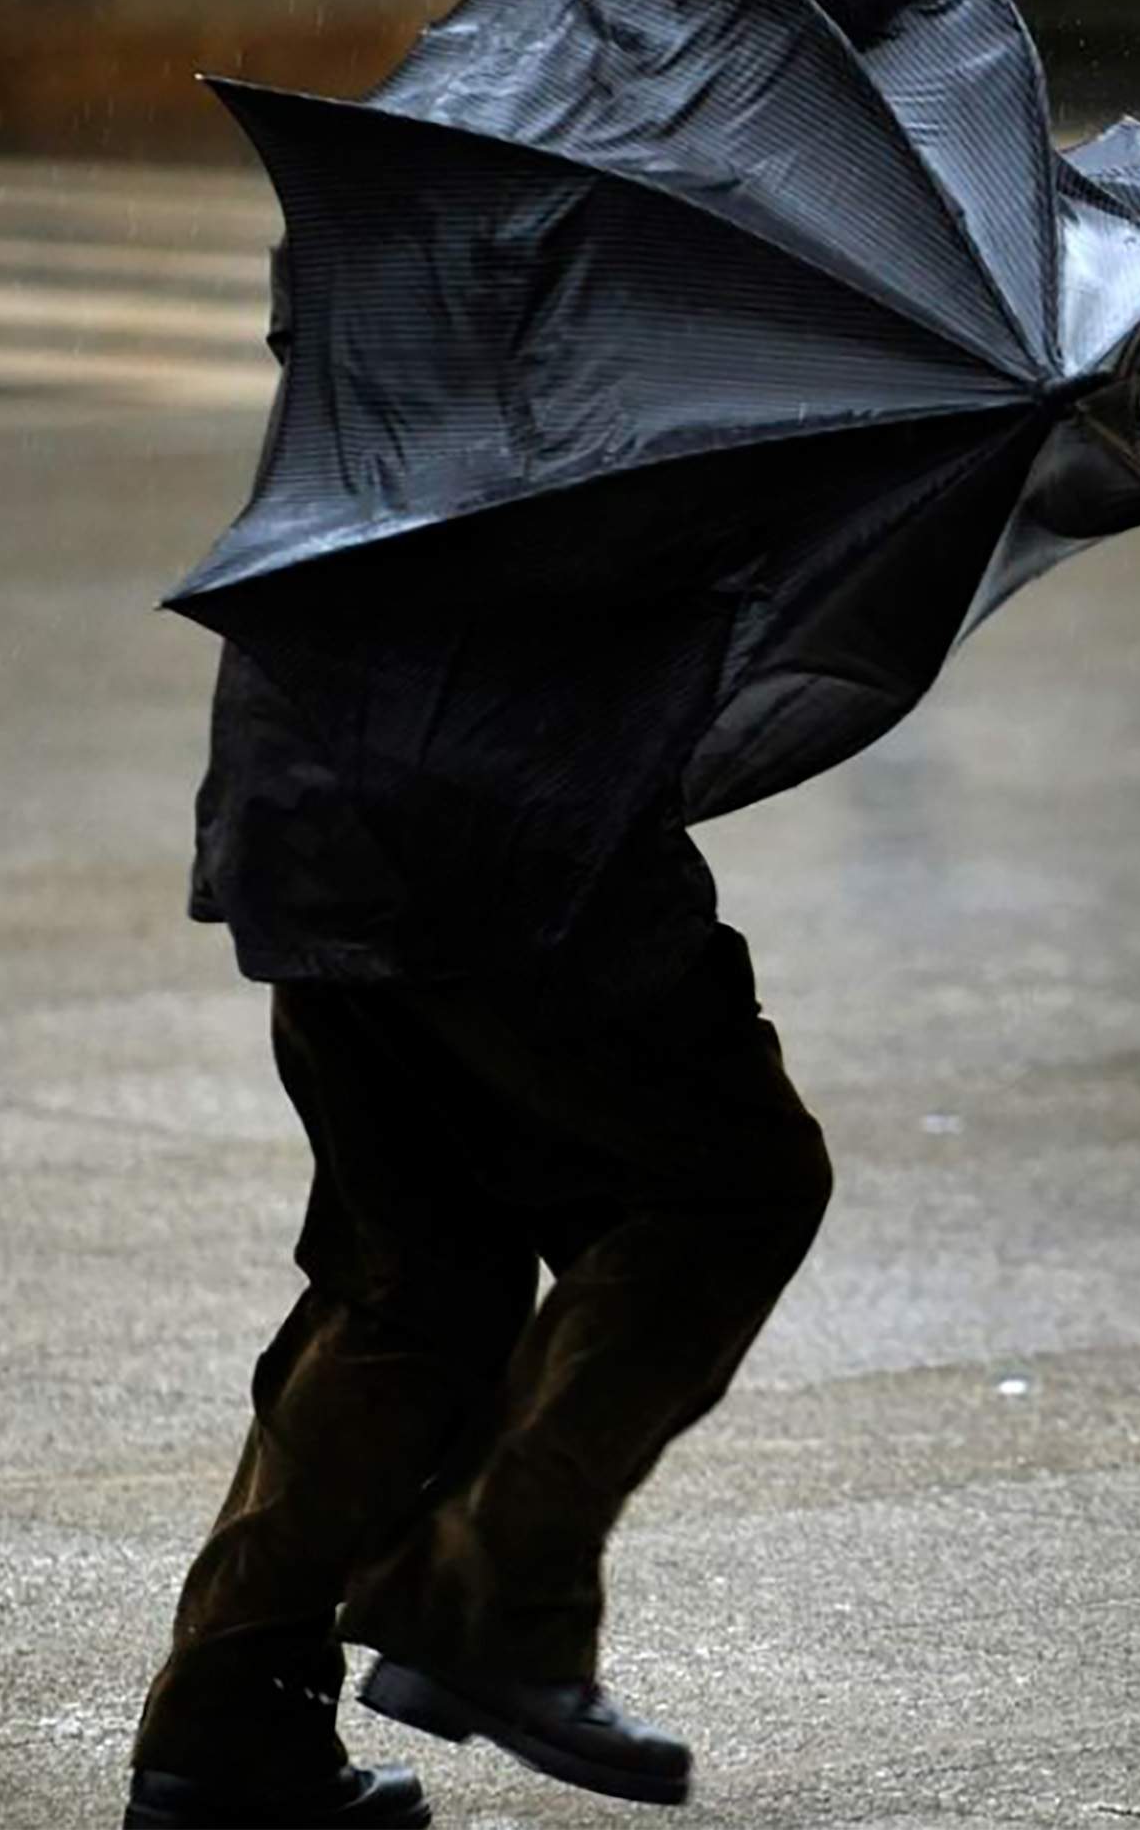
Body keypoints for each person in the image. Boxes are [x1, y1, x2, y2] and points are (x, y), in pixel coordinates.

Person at [123, 262, 834, 1830]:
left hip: (306, 776)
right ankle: (490, 1599)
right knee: (733, 1183)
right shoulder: (678, 269)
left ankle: (229, 1720)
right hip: (510, 814)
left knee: (416, 1271)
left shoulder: (444, 220)